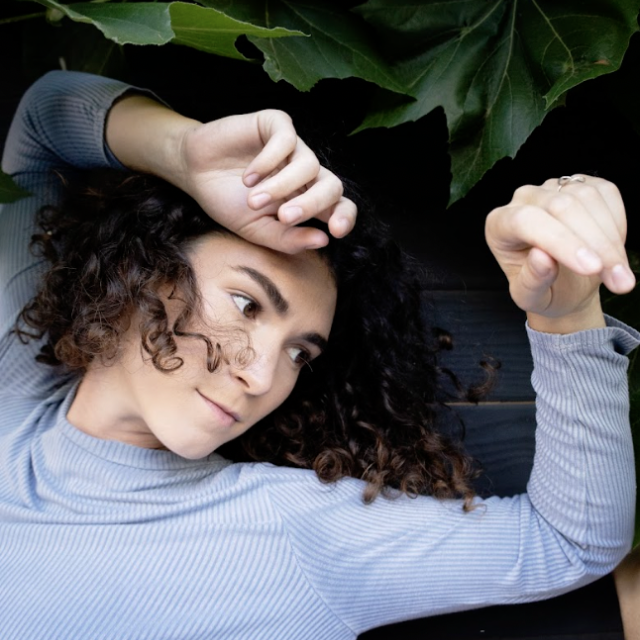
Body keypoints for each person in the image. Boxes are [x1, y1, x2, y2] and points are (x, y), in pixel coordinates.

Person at [0, 70, 638, 640]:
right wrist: (183, 154)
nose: (261, 376)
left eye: (301, 354)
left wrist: (564, 313)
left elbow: (567, 544)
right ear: (145, 265)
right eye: (248, 305)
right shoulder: (15, 380)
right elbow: (42, 120)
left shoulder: (292, 529)